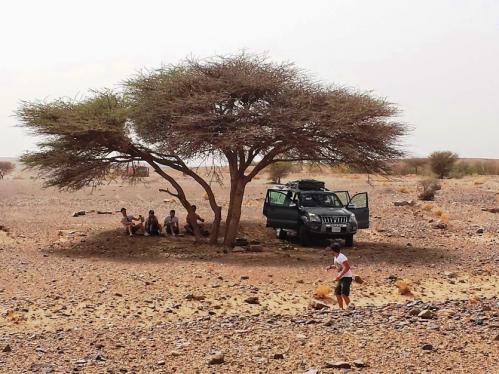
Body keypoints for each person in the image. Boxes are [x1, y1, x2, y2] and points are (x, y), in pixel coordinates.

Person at [326, 243, 353, 309]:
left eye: (331, 250)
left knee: (344, 294)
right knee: (337, 293)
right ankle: (341, 309)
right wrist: (330, 267)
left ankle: (351, 308)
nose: (330, 252)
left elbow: (347, 267)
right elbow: (338, 266)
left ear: (333, 250)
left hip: (347, 277)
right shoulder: (335, 257)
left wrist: (340, 276)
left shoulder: (342, 257)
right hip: (341, 277)